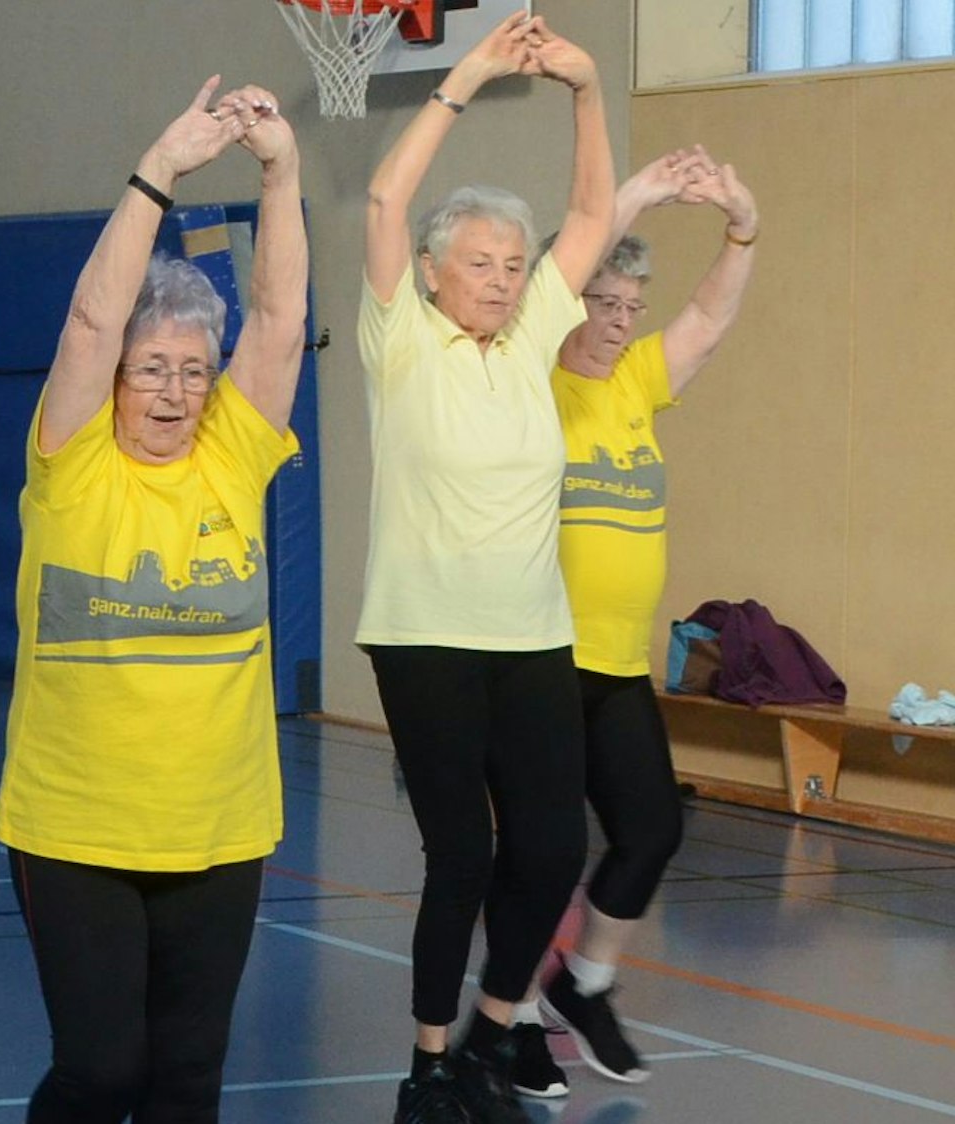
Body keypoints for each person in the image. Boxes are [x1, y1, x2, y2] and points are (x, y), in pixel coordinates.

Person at [0, 76, 307, 1123]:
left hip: (219, 825)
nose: (173, 390)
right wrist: (160, 171)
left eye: (193, 371)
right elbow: (90, 319)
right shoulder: (72, 463)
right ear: (115, 378)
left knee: (187, 1077)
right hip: (75, 828)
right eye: (150, 369)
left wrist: (281, 171)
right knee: (102, 1071)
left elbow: (278, 318)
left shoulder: (231, 458)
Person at [355, 15, 615, 1124]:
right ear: (431, 271)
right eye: (479, 263)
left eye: (513, 265)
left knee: (551, 849)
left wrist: (586, 88)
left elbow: (592, 217)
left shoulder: (530, 337)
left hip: (531, 637)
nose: (503, 280)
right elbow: (383, 199)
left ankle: (489, 1037)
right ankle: (425, 1066)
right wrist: (465, 74)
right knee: (461, 852)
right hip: (423, 636)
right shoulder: (401, 339)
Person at [505, 145, 760, 1096]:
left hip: (614, 666)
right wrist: (635, 196)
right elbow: (552, 279)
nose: (618, 322)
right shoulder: (527, 380)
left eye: (630, 308)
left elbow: (710, 319)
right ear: (567, 300)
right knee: (542, 854)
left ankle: (583, 985)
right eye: (602, 302)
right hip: (537, 661)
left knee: (650, 831)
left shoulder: (636, 382)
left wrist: (742, 227)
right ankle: (509, 1017)